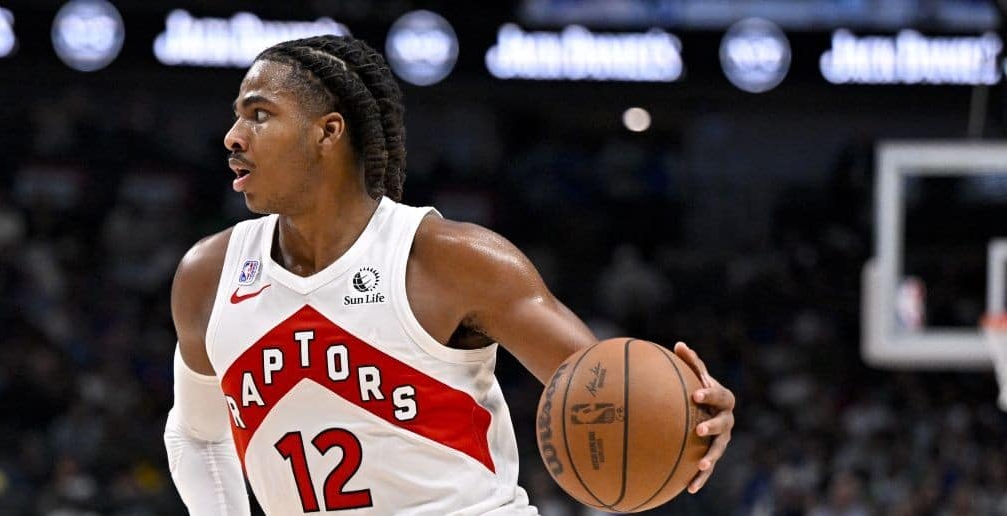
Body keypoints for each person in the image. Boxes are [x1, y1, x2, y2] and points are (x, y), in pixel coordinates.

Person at [163, 35, 736, 515]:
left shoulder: (450, 259)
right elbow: (194, 433)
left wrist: (695, 414)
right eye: (237, 117)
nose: (233, 138)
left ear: (329, 132)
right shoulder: (209, 276)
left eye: (259, 115)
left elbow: (606, 389)